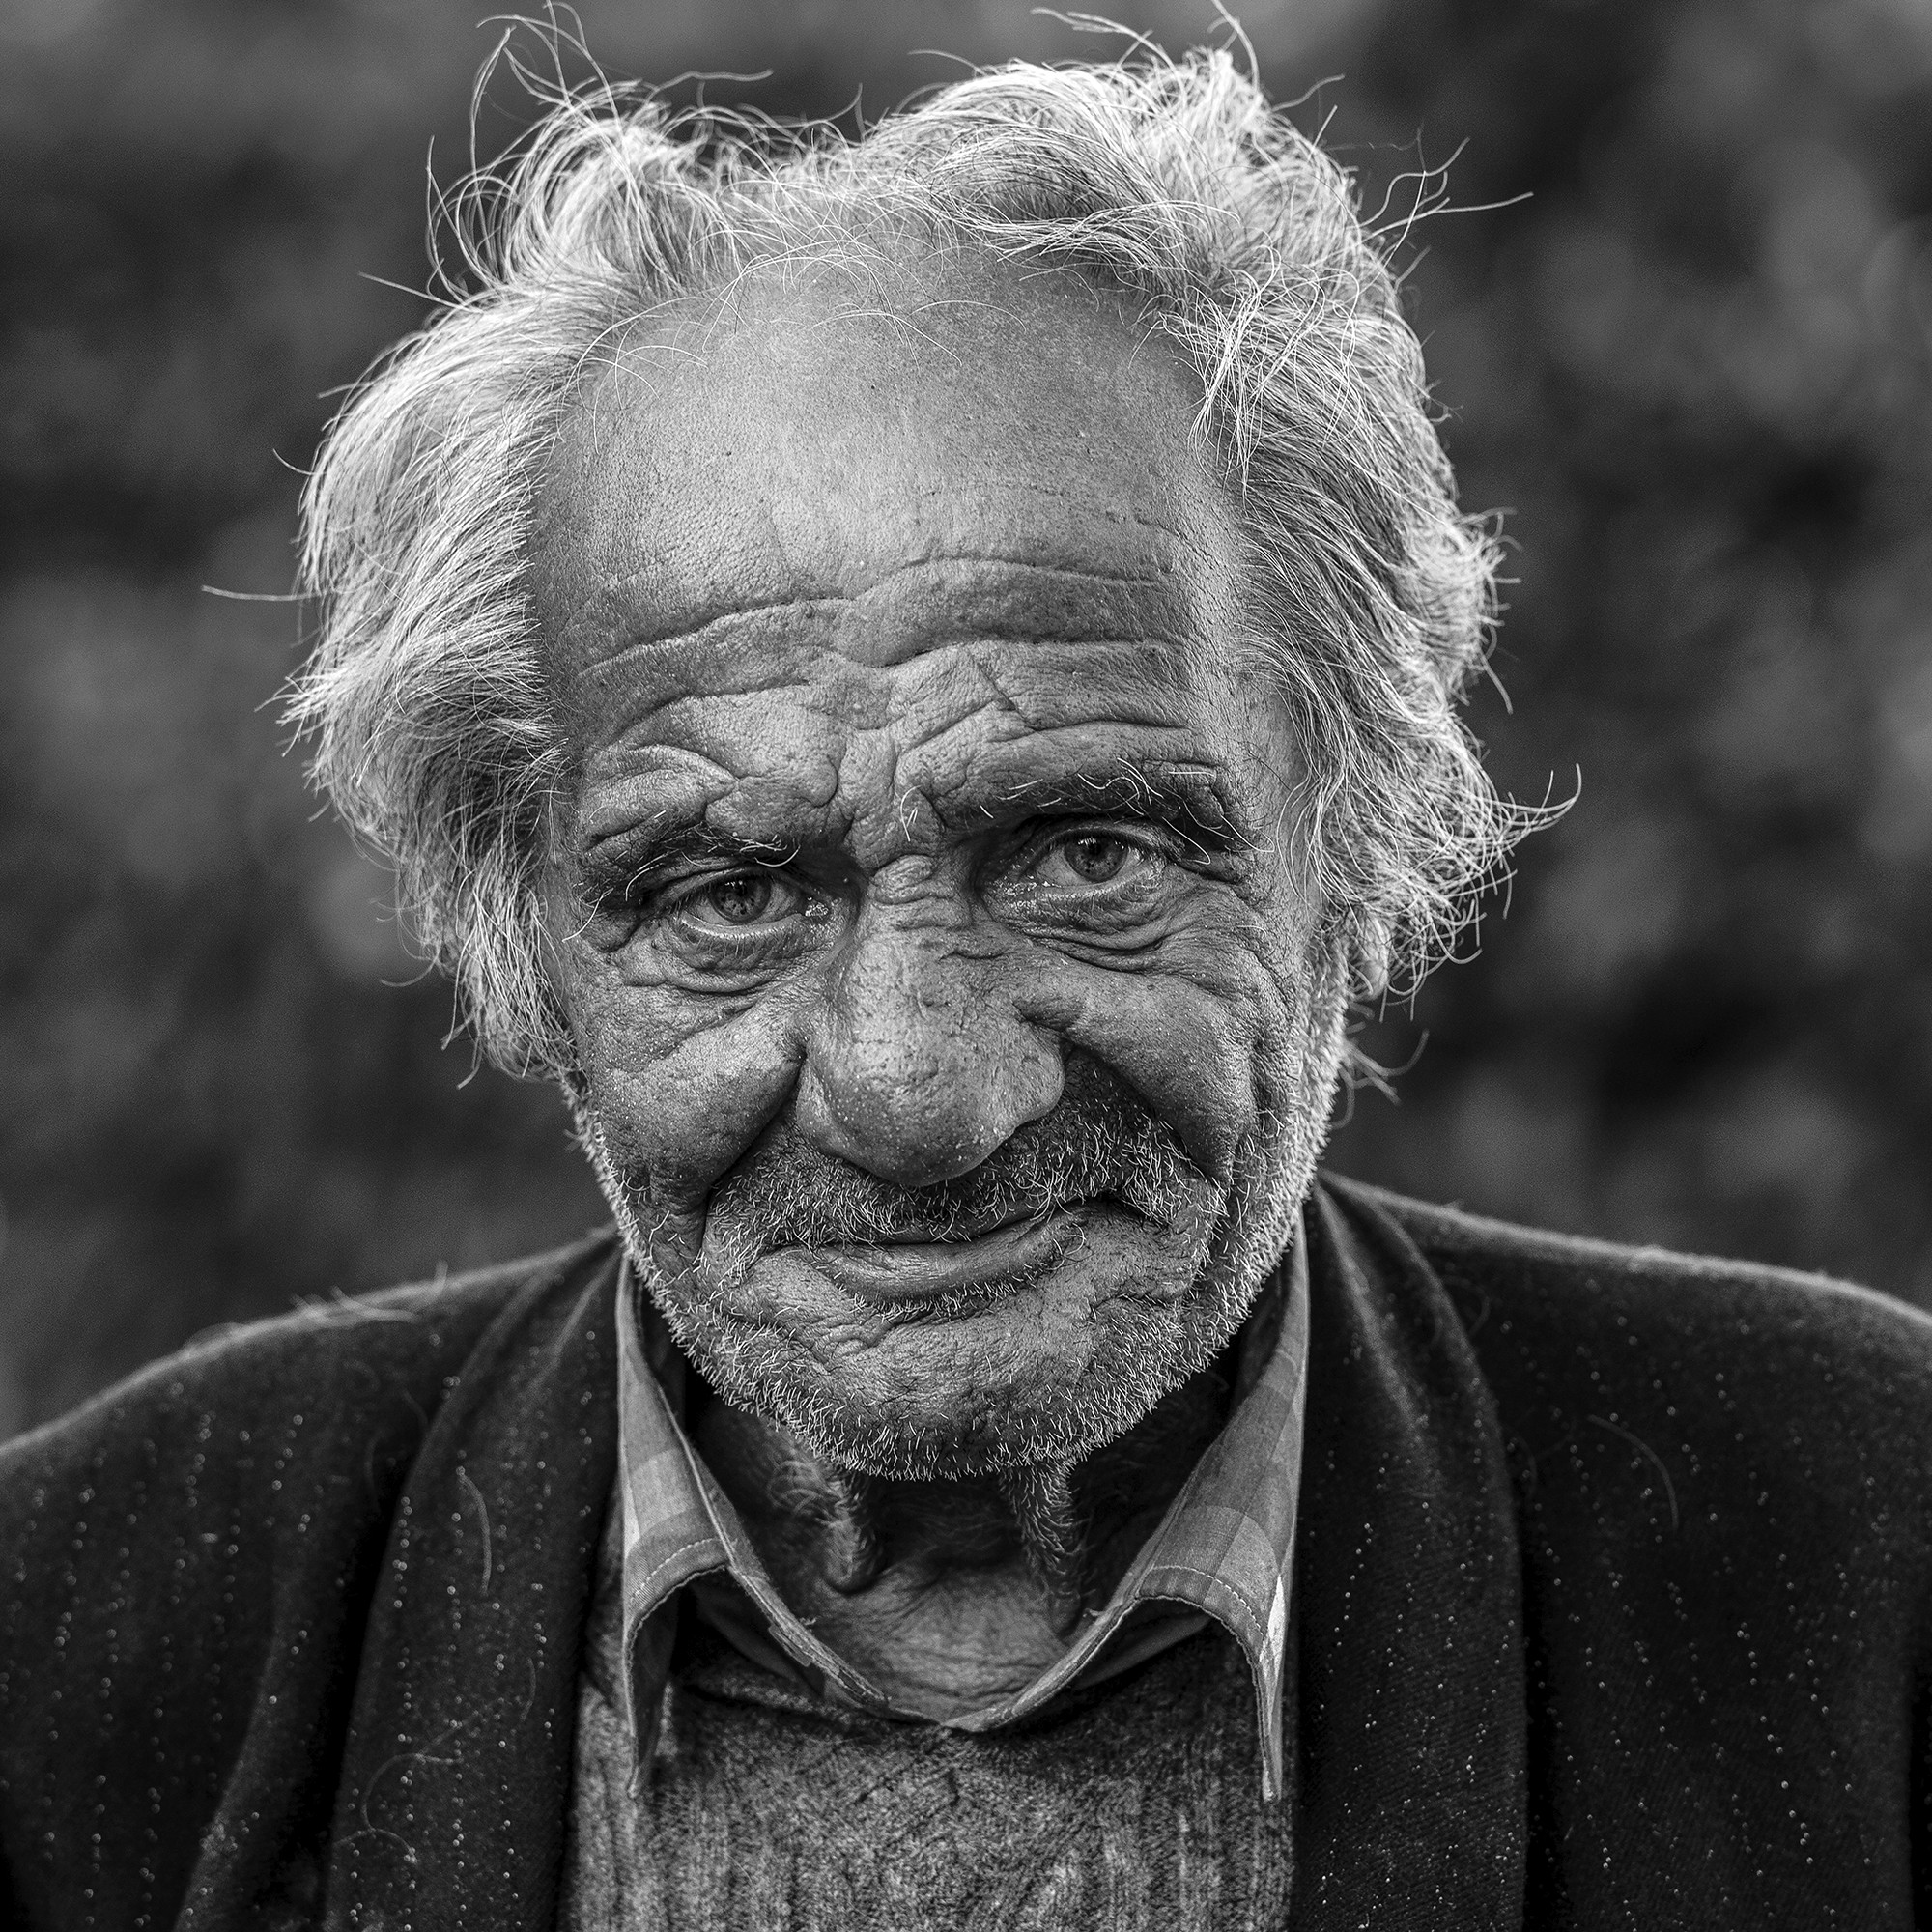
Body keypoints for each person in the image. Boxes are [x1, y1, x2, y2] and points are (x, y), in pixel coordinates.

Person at [2, 44, 1927, 1932]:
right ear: (522, 957)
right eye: (731, 889)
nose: (917, 1086)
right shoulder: (89, 1636)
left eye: (1086, 852)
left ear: (1364, 847)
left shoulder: (1866, 1552)